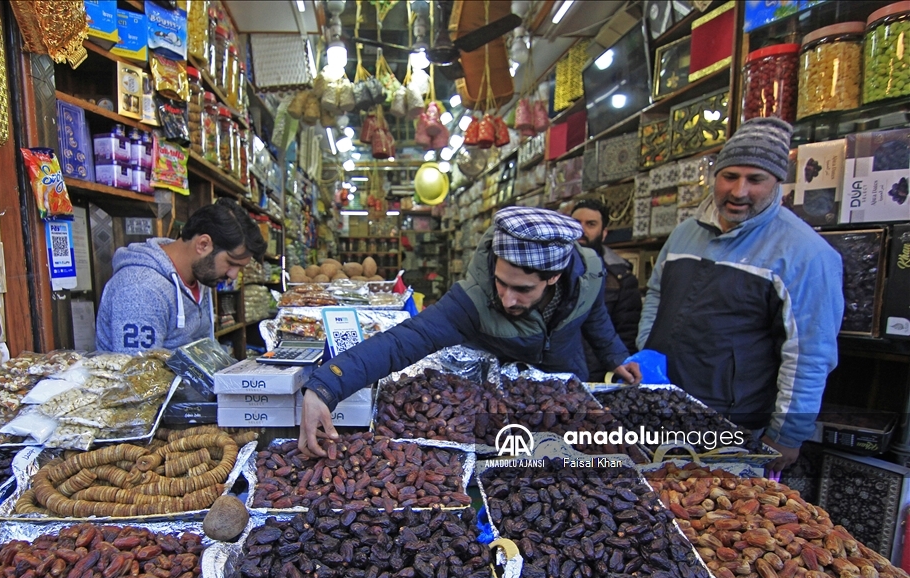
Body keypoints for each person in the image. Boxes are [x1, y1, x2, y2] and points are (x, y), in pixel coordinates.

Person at [299, 207, 642, 456]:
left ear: (554, 277)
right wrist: (325, 386)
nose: (507, 299)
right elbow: (402, 342)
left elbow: (593, 315)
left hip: (564, 392)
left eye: (522, 289)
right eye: (501, 282)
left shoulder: (589, 275)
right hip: (502, 410)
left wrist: (615, 356)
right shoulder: (473, 299)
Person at [637, 117, 844, 473]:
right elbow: (656, 295)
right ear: (714, 176)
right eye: (730, 176)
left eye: (755, 179)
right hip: (658, 407)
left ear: (777, 182)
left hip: (731, 422)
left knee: (710, 503)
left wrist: (787, 434)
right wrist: (646, 353)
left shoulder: (806, 254)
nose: (739, 191)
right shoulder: (685, 233)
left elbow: (809, 354)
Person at [96, 198, 266, 353]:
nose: (234, 275)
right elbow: (138, 373)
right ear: (203, 244)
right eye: (231, 263)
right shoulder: (140, 290)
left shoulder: (199, 275)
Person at [570, 198, 642, 380]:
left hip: (598, 374)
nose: (581, 230)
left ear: (603, 233)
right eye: (576, 223)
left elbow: (626, 332)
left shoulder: (620, 278)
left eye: (591, 224)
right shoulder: (551, 269)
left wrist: (619, 366)